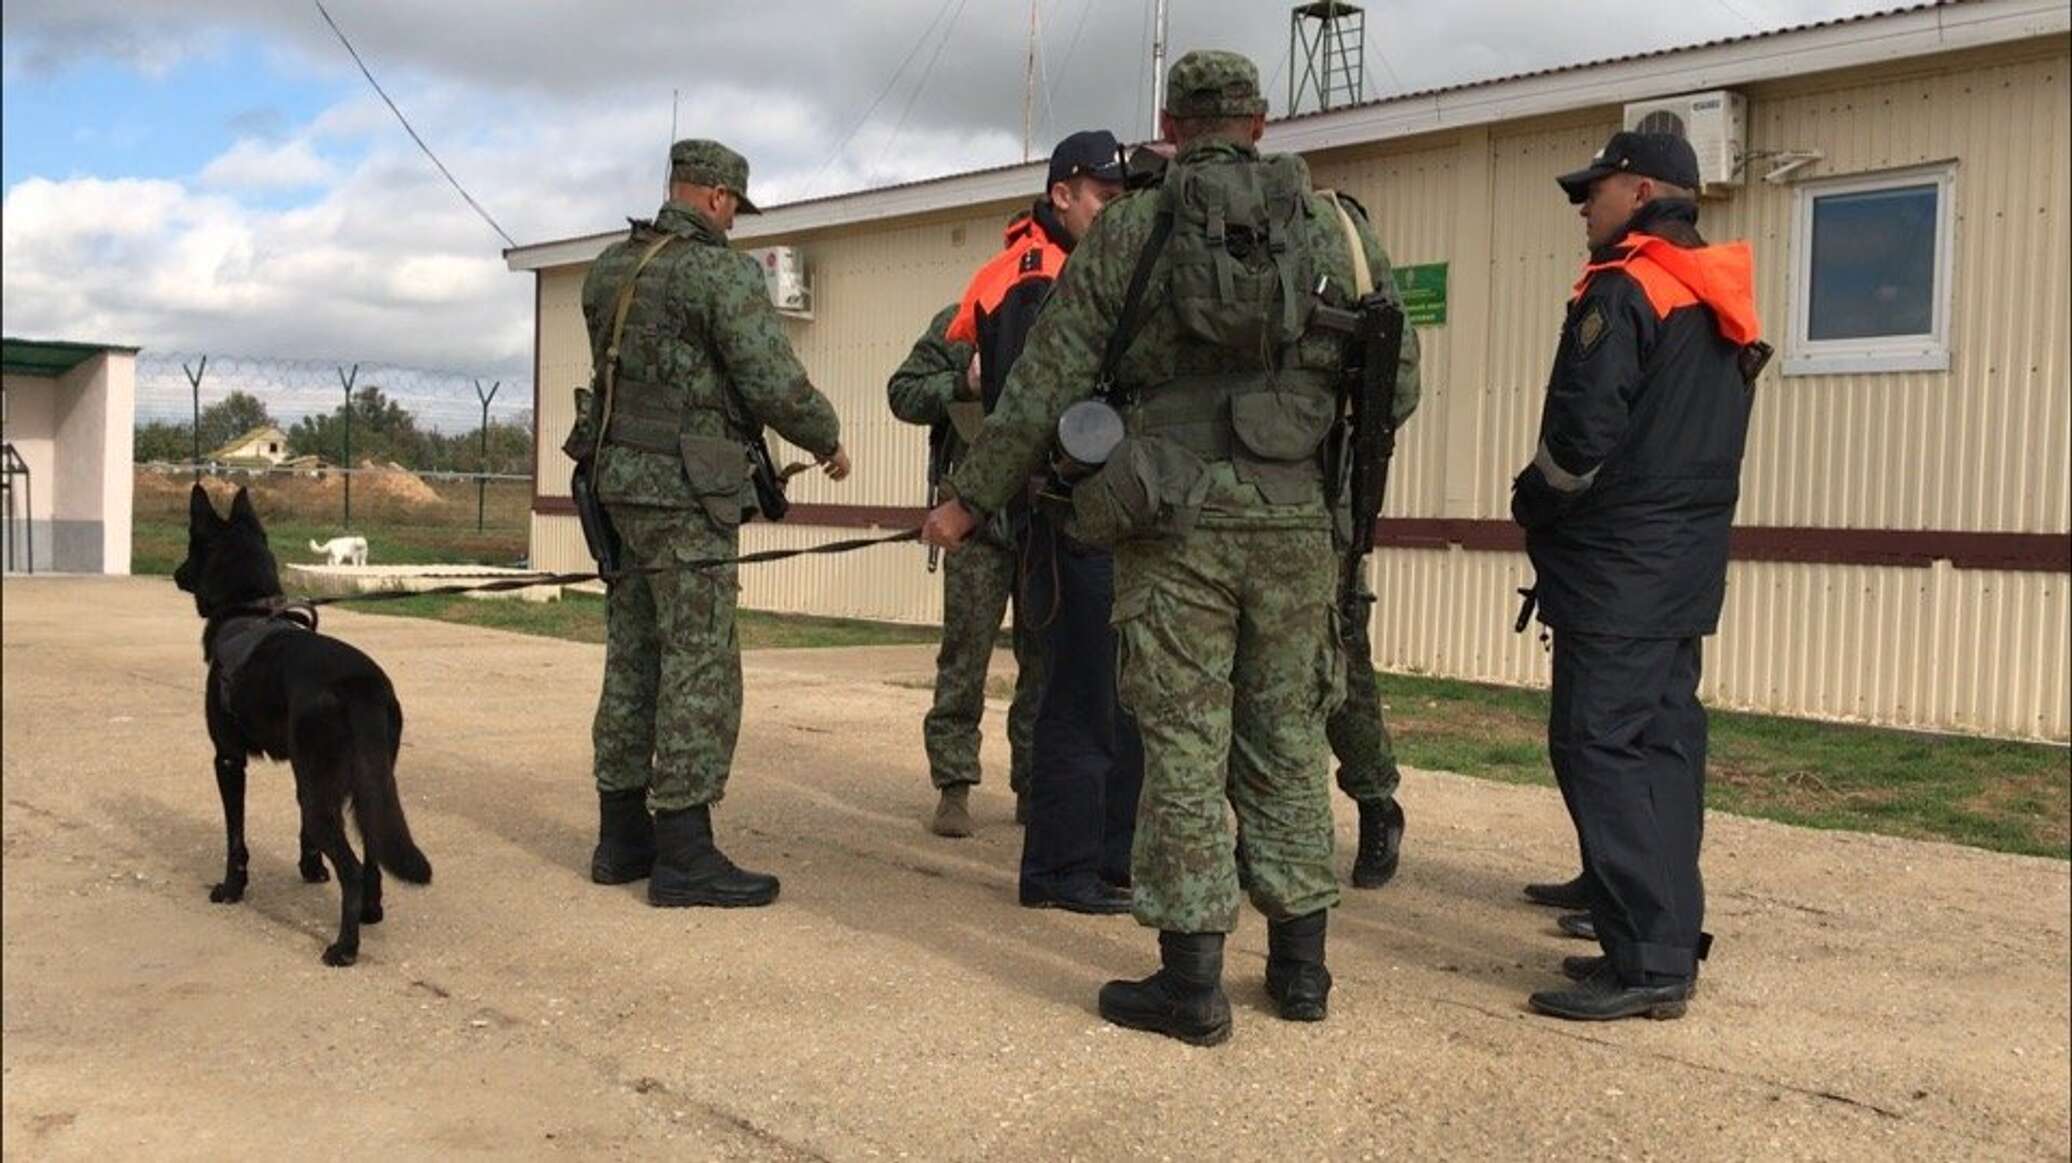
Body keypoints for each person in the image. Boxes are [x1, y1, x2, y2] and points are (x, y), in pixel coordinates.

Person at [923, 51, 1420, 1044]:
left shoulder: (1131, 227)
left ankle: (1190, 984)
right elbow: (1395, 385)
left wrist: (969, 500)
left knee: (1183, 742)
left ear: (1170, 125)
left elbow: (1046, 379)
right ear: (1260, 125)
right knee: (1287, 735)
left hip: (1170, 518)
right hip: (1295, 523)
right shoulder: (1338, 230)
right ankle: (1301, 968)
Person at [1511, 130, 1762, 1020]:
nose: (1585, 204)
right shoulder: (1714, 292)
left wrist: (1531, 500)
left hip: (1618, 563)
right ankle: (1658, 936)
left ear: (1643, 191)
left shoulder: (1625, 287)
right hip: (1682, 562)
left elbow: (1580, 436)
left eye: (1598, 188)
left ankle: (1649, 959)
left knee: (1598, 743)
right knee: (1662, 745)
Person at [577, 138, 851, 909]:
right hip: (687, 493)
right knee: (699, 662)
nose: (733, 223)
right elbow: (772, 380)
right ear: (718, 197)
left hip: (617, 483)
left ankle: (620, 835)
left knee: (633, 654)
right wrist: (826, 437)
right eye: (734, 209)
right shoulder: (719, 273)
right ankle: (685, 850)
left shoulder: (610, 268)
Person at [946, 130, 1139, 916]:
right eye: (1103, 198)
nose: (1114, 213)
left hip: (1110, 511)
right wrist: (969, 500)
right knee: (1078, 692)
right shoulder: (1033, 276)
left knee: (1117, 692)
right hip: (1063, 512)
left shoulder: (1101, 264)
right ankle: (1062, 866)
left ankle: (1112, 856)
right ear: (1062, 194)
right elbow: (1033, 406)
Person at [887, 303, 1047, 834]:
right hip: (974, 517)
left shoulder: (1063, 311)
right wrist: (962, 383)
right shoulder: (962, 321)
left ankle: (1034, 784)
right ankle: (953, 785)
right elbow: (903, 392)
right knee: (965, 654)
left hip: (1044, 514)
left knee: (1044, 660)